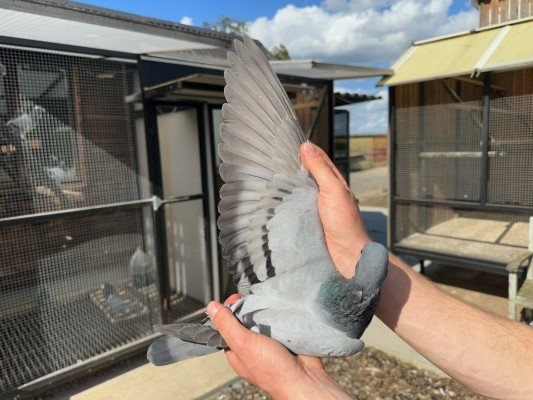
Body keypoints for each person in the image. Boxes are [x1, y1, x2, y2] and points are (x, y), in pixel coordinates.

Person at [206, 142, 533, 400]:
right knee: (304, 191)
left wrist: (299, 389)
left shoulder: (341, 337)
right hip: (254, 310)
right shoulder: (347, 335)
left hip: (248, 309)